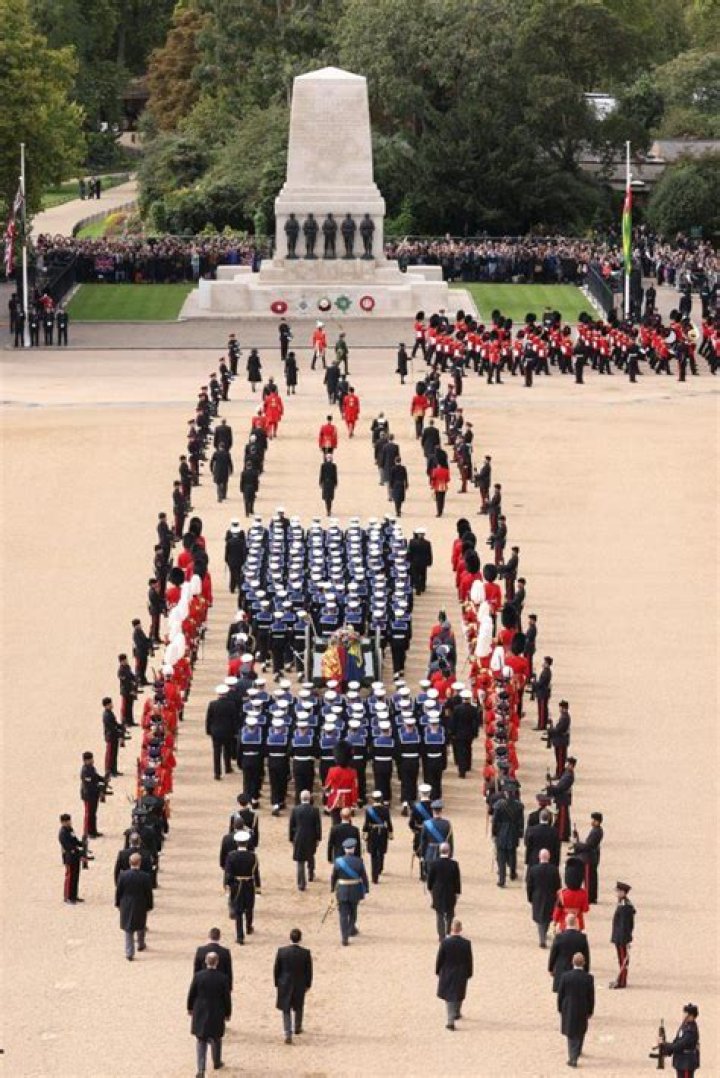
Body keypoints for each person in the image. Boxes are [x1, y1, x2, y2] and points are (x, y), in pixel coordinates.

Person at [187, 951, 232, 1077]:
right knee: (216, 1038)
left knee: (201, 1040)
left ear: (206, 961)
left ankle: (201, 1069)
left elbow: (192, 993)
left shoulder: (198, 976)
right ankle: (217, 1062)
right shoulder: (223, 978)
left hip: (200, 1011)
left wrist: (190, 1008)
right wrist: (228, 1013)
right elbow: (226, 998)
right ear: (217, 962)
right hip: (217, 1011)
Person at [273, 928, 313, 1045]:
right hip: (299, 983)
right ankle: (297, 1027)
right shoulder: (305, 953)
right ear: (300, 939)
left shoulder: (282, 951)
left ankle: (287, 1033)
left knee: (286, 1009)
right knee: (299, 1006)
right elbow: (308, 971)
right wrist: (308, 984)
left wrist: (277, 983)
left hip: (284, 983)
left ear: (290, 938)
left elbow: (277, 969)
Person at [557, 952, 595, 1068]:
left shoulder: (565, 976)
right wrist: (590, 1010)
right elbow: (591, 996)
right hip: (582, 1006)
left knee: (571, 1032)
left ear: (572, 962)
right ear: (584, 963)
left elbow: (561, 994)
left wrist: (559, 1007)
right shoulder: (588, 978)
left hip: (568, 1006)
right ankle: (577, 1051)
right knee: (580, 1030)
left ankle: (572, 1057)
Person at [330, 836, 369, 945]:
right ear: (354, 848)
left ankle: (344, 938)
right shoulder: (359, 861)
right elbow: (364, 876)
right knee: (353, 912)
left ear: (344, 849)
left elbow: (334, 876)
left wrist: (332, 888)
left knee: (343, 915)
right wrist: (366, 888)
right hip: (355, 891)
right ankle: (351, 929)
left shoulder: (338, 862)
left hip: (342, 890)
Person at [224, 830, 261, 944]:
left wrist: (228, 885)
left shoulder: (231, 856)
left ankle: (240, 936)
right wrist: (258, 887)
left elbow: (228, 873)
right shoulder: (253, 856)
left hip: (236, 885)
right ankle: (249, 927)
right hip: (249, 884)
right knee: (249, 907)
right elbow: (256, 873)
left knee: (238, 911)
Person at [115, 851, 154, 960]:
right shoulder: (145, 876)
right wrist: (150, 905)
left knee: (128, 928)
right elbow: (148, 893)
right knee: (141, 925)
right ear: (140, 863)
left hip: (126, 903)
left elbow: (119, 891)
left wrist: (118, 903)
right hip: (140, 903)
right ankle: (141, 944)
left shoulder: (123, 876)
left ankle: (129, 952)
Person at [435, 918, 473, 1031]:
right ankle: (456, 1012)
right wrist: (469, 972)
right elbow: (469, 960)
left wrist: (438, 970)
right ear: (460, 929)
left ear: (451, 928)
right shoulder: (466, 943)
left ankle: (450, 1021)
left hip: (448, 971)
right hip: (461, 971)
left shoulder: (445, 942)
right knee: (459, 993)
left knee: (449, 996)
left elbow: (440, 958)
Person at [527, 848, 562, 948]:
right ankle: (543, 936)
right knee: (546, 918)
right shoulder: (554, 869)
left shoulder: (533, 870)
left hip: (537, 896)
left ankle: (542, 938)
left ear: (539, 857)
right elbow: (558, 885)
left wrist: (530, 897)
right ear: (549, 857)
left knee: (539, 918)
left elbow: (529, 886)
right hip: (550, 896)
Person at [426, 842, 461, 941]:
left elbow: (430, 880)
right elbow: (457, 880)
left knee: (439, 914)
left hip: (438, 891)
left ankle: (441, 936)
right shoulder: (454, 864)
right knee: (450, 914)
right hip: (450, 891)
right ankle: (448, 932)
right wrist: (457, 892)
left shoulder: (434, 863)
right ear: (449, 851)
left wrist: (430, 890)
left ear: (439, 851)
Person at [289, 790, 322, 891]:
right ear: (309, 798)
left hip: (299, 837)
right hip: (311, 837)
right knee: (310, 855)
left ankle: (301, 884)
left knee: (300, 861)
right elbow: (318, 826)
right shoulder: (315, 810)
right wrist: (318, 838)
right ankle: (311, 874)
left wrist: (291, 838)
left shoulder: (295, 810)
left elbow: (291, 825)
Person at [548, 913, 590, 992]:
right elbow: (586, 955)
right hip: (577, 970)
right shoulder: (582, 937)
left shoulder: (559, 937)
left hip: (561, 969)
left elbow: (553, 954)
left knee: (562, 993)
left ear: (566, 922)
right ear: (576, 923)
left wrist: (550, 968)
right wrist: (586, 970)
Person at [656, 1003, 700, 1075]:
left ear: (691, 1016)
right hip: (681, 1062)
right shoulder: (685, 1025)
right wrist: (667, 1050)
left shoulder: (691, 1030)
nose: (684, 1015)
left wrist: (664, 1044)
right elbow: (677, 1040)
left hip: (686, 1063)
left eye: (686, 1013)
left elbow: (679, 1045)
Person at [492, 787, 524, 887]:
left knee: (501, 856)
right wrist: (520, 833)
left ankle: (502, 879)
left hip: (501, 831)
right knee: (512, 854)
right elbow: (521, 822)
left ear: (505, 793)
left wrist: (494, 833)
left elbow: (495, 821)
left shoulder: (499, 805)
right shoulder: (518, 806)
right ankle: (512, 874)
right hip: (513, 831)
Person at [206, 684, 236, 781]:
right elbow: (234, 719)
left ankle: (217, 773)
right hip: (228, 730)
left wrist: (208, 730)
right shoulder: (231, 704)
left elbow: (209, 719)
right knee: (227, 750)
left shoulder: (212, 704)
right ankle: (227, 767)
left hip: (216, 731)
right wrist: (234, 731)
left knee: (217, 752)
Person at [571, 812, 603, 903]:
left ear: (597, 821)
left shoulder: (596, 831)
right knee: (592, 878)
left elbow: (588, 846)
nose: (591, 821)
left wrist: (576, 844)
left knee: (589, 879)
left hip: (589, 858)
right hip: (592, 857)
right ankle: (592, 896)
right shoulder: (596, 830)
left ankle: (589, 897)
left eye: (593, 820)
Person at [362, 791, 393, 884]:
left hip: (372, 832)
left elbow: (366, 824)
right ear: (381, 799)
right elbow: (389, 822)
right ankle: (380, 868)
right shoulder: (385, 809)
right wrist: (390, 832)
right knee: (381, 851)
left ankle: (374, 877)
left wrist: (364, 832)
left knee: (373, 854)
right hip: (383, 832)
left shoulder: (369, 810)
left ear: (373, 799)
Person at [609, 881, 635, 989]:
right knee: (621, 959)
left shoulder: (624, 906)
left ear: (623, 892)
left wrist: (624, 939)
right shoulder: (623, 903)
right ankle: (621, 979)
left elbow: (625, 925)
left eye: (618, 891)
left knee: (623, 960)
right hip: (619, 936)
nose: (617, 893)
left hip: (622, 938)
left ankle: (622, 981)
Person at [59, 813, 85, 904]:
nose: (69, 823)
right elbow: (68, 846)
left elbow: (74, 840)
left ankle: (74, 895)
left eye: (69, 821)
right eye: (67, 821)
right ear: (62, 822)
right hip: (69, 857)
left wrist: (81, 844)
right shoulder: (63, 833)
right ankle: (68, 897)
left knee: (75, 876)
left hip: (75, 856)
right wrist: (77, 850)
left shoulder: (70, 829)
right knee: (70, 877)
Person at [80, 751, 106, 839]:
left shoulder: (91, 768)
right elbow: (89, 785)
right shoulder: (85, 771)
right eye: (89, 759)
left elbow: (95, 776)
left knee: (93, 814)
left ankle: (93, 831)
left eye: (92, 759)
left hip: (94, 794)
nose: (92, 760)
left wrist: (102, 779)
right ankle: (88, 832)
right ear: (85, 761)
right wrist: (99, 788)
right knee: (89, 814)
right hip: (88, 795)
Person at [102, 696, 125, 777]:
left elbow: (115, 723)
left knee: (114, 754)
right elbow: (111, 727)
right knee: (110, 755)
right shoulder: (106, 715)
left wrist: (120, 726)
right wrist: (119, 732)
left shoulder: (110, 713)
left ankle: (114, 770)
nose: (111, 705)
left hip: (114, 736)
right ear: (106, 705)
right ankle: (109, 771)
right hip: (110, 736)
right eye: (110, 704)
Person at [407, 527, 433, 595]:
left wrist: (409, 560)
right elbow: (429, 553)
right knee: (423, 575)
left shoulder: (412, 542)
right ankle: (422, 587)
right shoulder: (427, 543)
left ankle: (418, 588)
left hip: (414, 561)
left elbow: (409, 552)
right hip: (423, 562)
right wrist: (429, 561)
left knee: (416, 575)